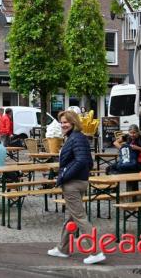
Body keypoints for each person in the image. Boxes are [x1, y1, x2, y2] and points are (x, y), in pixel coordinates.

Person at [47, 110, 106, 265]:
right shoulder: (76, 138)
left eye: (66, 122)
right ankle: (63, 248)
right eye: (61, 122)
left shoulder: (75, 138)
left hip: (73, 184)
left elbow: (81, 161)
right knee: (72, 216)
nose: (63, 124)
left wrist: (65, 174)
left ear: (73, 122)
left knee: (79, 217)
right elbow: (88, 162)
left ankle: (96, 251)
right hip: (80, 181)